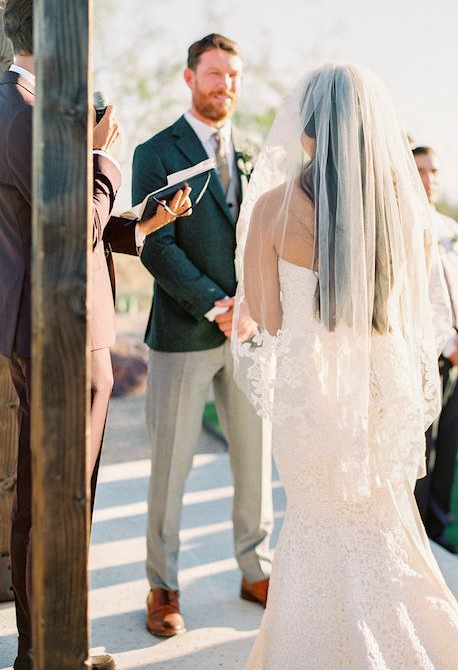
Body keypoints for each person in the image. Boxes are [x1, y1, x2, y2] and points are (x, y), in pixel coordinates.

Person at [231, 64, 458, 669]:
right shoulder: (408, 212)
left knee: (315, 525)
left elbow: (267, 318)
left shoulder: (272, 207)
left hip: (313, 404)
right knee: (384, 530)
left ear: (307, 129)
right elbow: (416, 315)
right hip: (380, 401)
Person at [0, 0, 191, 670]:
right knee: (58, 496)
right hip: (58, 334)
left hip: (56, 327)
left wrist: (145, 222)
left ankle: (49, 647)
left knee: (53, 494)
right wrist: (102, 153)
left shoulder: (25, 106)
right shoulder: (23, 112)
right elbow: (67, 223)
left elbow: (59, 218)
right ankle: (49, 654)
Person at [132, 34, 272, 638]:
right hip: (185, 333)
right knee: (171, 468)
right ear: (189, 78)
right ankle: (162, 586)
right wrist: (215, 304)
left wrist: (253, 306)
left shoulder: (255, 152)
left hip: (249, 336)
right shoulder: (155, 150)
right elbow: (153, 243)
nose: (226, 85)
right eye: (215, 74)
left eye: (234, 75)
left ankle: (255, 569)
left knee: (254, 459)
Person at [411, 146, 458, 553]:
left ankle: (438, 529)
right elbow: (412, 297)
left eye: (434, 170)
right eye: (420, 170)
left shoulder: (450, 226)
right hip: (425, 353)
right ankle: (419, 536)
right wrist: (447, 342)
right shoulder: (403, 223)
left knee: (451, 441)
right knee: (424, 446)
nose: (428, 178)